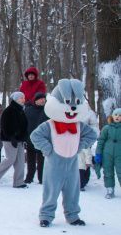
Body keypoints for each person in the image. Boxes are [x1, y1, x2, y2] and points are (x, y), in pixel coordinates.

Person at [31, 78, 97, 227]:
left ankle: (73, 215)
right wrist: (48, 149)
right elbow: (35, 136)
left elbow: (92, 135)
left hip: (72, 164)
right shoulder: (50, 124)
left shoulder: (79, 125)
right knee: (51, 191)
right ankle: (46, 216)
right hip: (54, 164)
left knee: (73, 191)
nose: (72, 108)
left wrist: (80, 146)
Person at [0, 92, 28, 188]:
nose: (23, 99)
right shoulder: (9, 111)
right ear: (15, 99)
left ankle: (18, 182)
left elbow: (24, 126)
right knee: (10, 159)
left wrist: (24, 137)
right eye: (21, 98)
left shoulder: (22, 110)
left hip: (20, 140)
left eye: (23, 98)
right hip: (9, 139)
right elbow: (5, 126)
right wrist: (12, 137)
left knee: (20, 161)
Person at [95, 108, 121, 199]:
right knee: (108, 171)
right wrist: (98, 153)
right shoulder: (107, 128)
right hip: (107, 153)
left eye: (120, 115)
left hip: (119, 154)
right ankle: (110, 189)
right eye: (116, 115)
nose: (118, 117)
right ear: (112, 116)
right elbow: (101, 141)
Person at [24, 92, 49, 184]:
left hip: (43, 140)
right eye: (40, 99)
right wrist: (24, 137)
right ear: (36, 100)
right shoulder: (28, 110)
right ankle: (29, 177)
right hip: (30, 139)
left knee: (42, 161)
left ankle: (42, 178)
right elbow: (24, 124)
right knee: (30, 160)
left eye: (44, 98)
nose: (42, 100)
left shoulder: (48, 110)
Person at [78, 106, 100, 191]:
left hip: (85, 138)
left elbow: (94, 126)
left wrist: (88, 133)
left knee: (85, 159)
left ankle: (84, 181)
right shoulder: (68, 108)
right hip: (72, 138)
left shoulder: (88, 111)